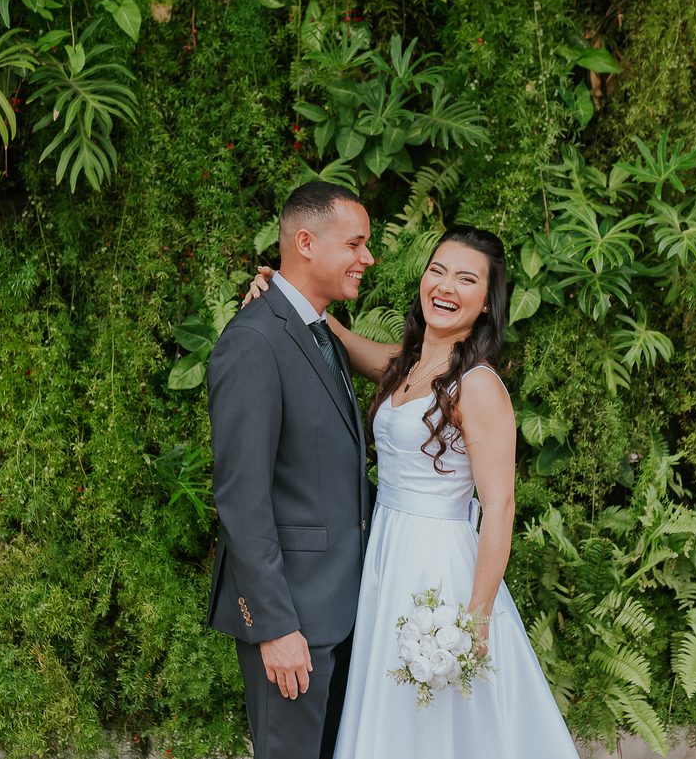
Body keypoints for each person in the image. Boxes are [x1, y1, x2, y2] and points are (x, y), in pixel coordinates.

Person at [245, 226, 579, 758]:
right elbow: (335, 336)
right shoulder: (407, 364)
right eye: (438, 270)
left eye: (466, 279)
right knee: (386, 703)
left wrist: (476, 618)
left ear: (487, 304)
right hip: (385, 552)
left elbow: (500, 508)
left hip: (437, 563)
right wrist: (285, 293)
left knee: (436, 719)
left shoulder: (479, 386)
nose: (445, 287)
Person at [205, 180, 376, 759]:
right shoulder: (253, 341)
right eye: (356, 244)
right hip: (293, 623)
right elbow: (241, 500)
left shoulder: (318, 332)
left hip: (340, 614)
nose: (367, 259)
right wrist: (276, 627)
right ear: (305, 241)